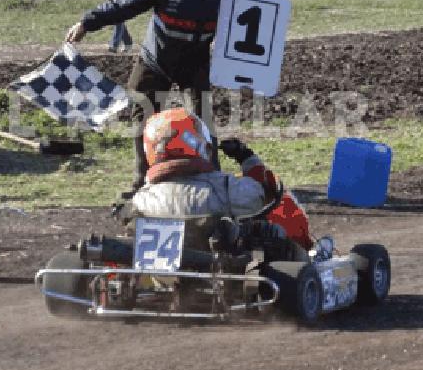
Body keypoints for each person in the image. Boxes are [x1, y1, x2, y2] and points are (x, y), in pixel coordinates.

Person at [66, 0, 231, 198]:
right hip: (156, 60)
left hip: (195, 63)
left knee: (204, 122)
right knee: (142, 116)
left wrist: (251, 72)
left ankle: (213, 179)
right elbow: (125, 4)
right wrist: (88, 22)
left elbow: (244, 39)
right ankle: (142, 180)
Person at [127, 108, 313, 258]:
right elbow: (261, 195)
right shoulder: (223, 187)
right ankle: (307, 265)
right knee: (274, 227)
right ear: (195, 143)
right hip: (221, 276)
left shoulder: (141, 199)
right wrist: (246, 156)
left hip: (159, 281)